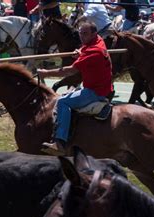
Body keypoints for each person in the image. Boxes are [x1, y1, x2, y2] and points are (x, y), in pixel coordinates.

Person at [38, 22, 113, 155]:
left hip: (95, 92)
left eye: (85, 34)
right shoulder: (98, 41)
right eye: (80, 33)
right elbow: (86, 48)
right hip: (102, 87)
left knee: (62, 102)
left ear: (94, 33)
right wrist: (80, 52)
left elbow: (69, 71)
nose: (82, 37)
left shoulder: (93, 52)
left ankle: (60, 143)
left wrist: (46, 72)